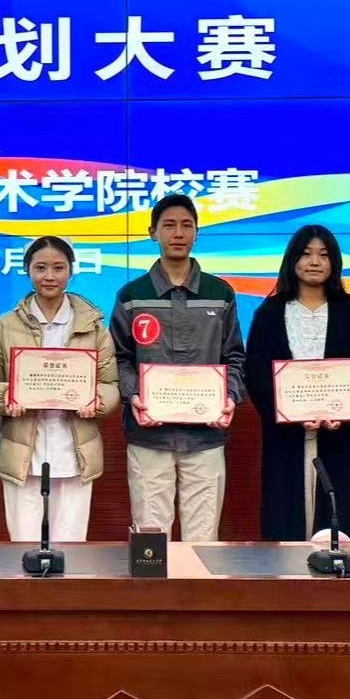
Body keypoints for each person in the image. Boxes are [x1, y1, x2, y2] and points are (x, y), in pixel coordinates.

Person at [110, 193, 245, 541]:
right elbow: (119, 358)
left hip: (206, 436)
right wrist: (134, 395)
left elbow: (233, 356)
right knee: (151, 542)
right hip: (149, 436)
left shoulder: (220, 292)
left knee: (203, 540)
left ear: (197, 233)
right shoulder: (132, 295)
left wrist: (229, 397)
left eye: (187, 225)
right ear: (153, 232)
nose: (178, 233)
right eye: (169, 225)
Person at [0, 236, 119, 542]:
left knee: (72, 543)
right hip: (22, 449)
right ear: (28, 270)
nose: (49, 276)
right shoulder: (4, 326)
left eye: (58, 267)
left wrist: (97, 401)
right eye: (40, 268)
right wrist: (5, 397)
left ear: (71, 271)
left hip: (75, 447)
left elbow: (110, 384)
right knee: (23, 543)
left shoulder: (94, 326)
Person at [244, 225, 350, 542]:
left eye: (323, 254)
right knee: (286, 523)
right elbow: (256, 373)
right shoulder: (270, 313)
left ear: (334, 262)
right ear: (292, 260)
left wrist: (348, 414)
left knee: (340, 525)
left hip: (342, 438)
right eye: (306, 254)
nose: (314, 262)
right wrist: (285, 413)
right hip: (286, 439)